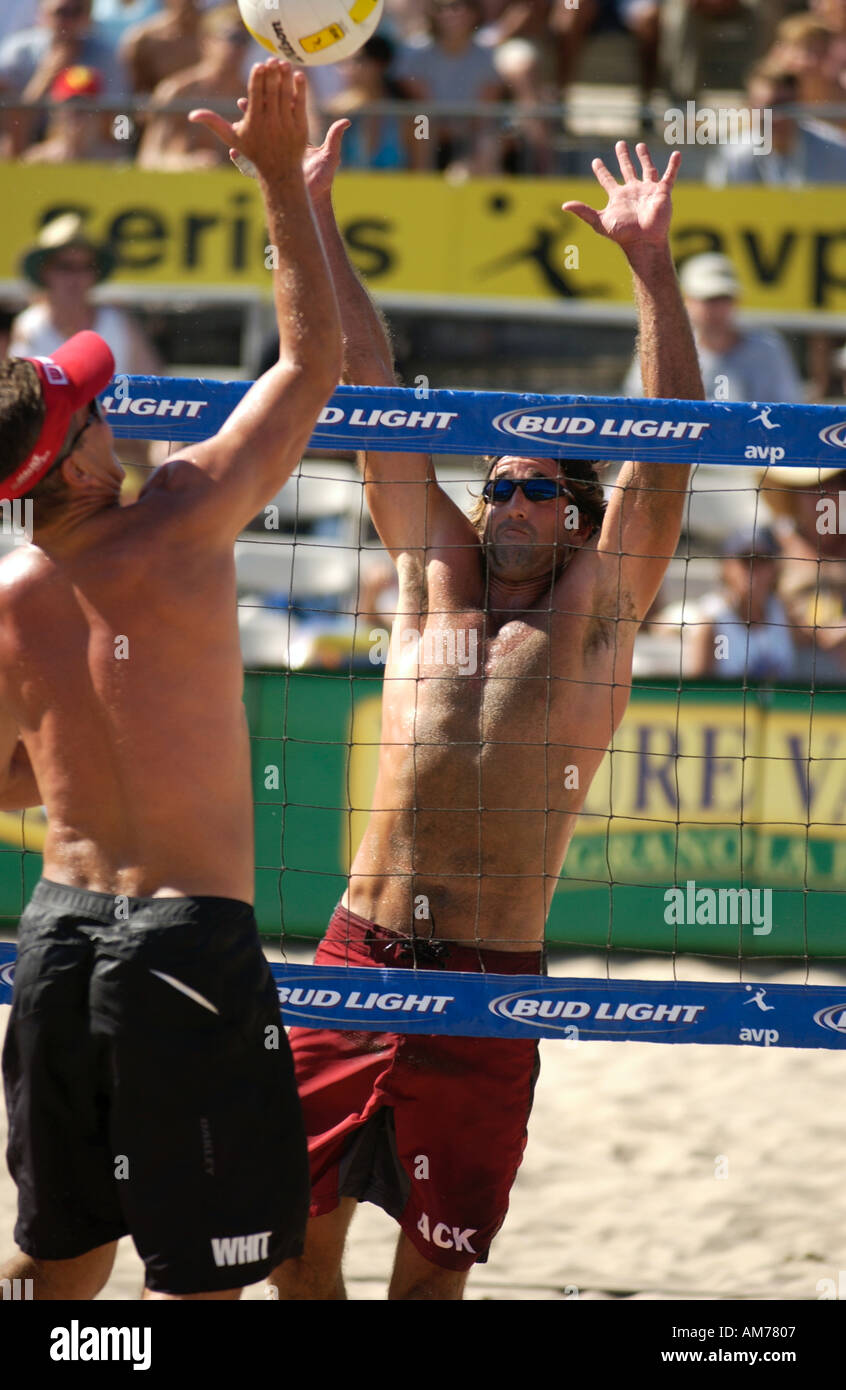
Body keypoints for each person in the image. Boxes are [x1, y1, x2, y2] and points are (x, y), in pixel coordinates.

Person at [269, 135, 703, 1300]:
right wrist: (311, 215)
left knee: (432, 1278)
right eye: (498, 482)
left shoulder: (596, 616)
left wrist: (650, 271)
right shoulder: (428, 583)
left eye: (539, 487)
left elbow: (669, 460)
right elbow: (365, 380)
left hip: (487, 980)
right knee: (288, 1250)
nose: (511, 499)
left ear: (573, 515)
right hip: (357, 955)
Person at [0, 58, 343, 1302]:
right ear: (74, 465)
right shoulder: (182, 517)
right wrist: (278, 188)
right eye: (89, 410)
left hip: (55, 936)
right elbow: (314, 366)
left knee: (60, 1256)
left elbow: (9, 784)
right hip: (181, 950)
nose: (109, 409)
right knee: (201, 1278)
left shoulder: (9, 602)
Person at [622, 252, 803, 402]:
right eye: (708, 299)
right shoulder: (663, 348)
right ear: (687, 301)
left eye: (724, 298)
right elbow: (641, 405)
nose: (717, 308)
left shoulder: (767, 349)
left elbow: (787, 409)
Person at [0, 0, 126, 156]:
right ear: (43, 14)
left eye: (77, 11)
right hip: (29, 144)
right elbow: (14, 122)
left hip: (87, 147)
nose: (69, 21)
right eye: (62, 12)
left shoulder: (107, 56)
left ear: (89, 16)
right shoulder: (19, 53)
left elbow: (120, 121)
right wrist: (45, 77)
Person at [758, 464, 846, 681]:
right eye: (812, 488)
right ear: (794, 496)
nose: (823, 497)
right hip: (787, 669)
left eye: (834, 485)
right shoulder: (768, 545)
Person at [394, 0, 504, 173]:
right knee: (421, 124)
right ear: (433, 14)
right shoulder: (415, 52)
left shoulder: (487, 55)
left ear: (474, 13)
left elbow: (484, 112)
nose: (452, 13)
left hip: (471, 132)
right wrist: (449, 129)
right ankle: (420, 181)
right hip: (433, 130)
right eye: (443, 8)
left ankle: (473, 178)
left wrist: (460, 132)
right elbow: (424, 105)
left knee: (488, 140)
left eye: (460, 6)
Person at [705, 62, 846, 186]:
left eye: (785, 107)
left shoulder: (837, 151)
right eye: (769, 108)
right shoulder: (733, 155)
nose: (777, 118)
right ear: (750, 108)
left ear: (799, 105)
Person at [684, 525, 796, 680]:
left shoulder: (786, 613)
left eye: (762, 560)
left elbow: (827, 639)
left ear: (775, 569)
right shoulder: (711, 622)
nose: (754, 569)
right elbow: (696, 693)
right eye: (745, 560)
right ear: (726, 567)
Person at [21, 63, 127, 162]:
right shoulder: (37, 161)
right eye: (70, 107)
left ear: (100, 114)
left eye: (84, 108)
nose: (76, 116)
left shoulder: (116, 162)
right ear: (56, 111)